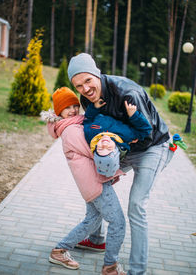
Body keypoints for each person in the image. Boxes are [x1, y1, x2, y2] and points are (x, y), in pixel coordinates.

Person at [67, 52, 175, 275]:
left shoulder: (128, 93)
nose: (85, 89)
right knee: (96, 183)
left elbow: (145, 135)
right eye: (78, 85)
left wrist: (116, 145)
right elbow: (96, 126)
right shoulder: (87, 100)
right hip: (124, 146)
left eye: (87, 80)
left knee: (136, 206)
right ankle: (96, 239)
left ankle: (137, 271)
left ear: (97, 73)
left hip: (152, 146)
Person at [42, 86, 127, 275]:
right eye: (67, 108)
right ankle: (110, 267)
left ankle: (61, 250)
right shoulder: (71, 130)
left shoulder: (73, 123)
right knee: (118, 222)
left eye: (74, 105)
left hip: (91, 183)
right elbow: (96, 148)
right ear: (58, 112)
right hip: (95, 184)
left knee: (92, 219)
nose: (73, 110)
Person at [83, 100, 152, 177]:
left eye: (100, 149)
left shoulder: (90, 134)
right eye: (109, 149)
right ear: (116, 150)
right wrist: (134, 115)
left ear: (95, 149)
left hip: (104, 103)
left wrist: (94, 107)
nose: (104, 144)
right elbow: (146, 130)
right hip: (122, 106)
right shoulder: (126, 136)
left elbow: (88, 119)